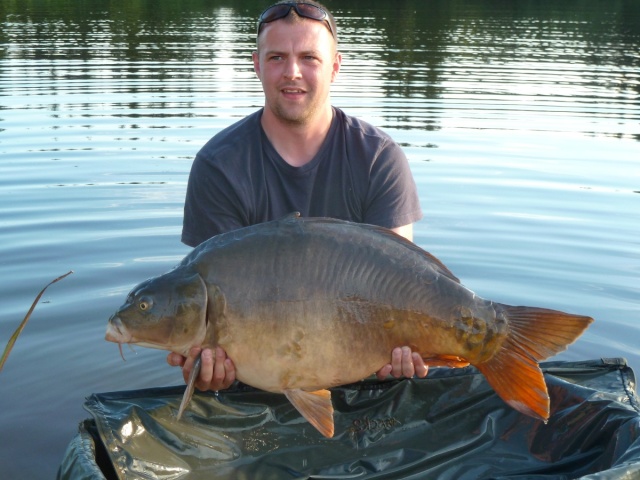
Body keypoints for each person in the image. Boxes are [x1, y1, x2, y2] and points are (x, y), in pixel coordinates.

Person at [167, 0, 428, 393]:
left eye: (309, 57)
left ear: (335, 66)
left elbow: (402, 282)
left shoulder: (378, 157)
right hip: (258, 379)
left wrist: (412, 350)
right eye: (276, 58)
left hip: (367, 372)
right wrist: (208, 368)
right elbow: (214, 294)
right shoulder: (220, 165)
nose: (292, 72)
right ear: (256, 65)